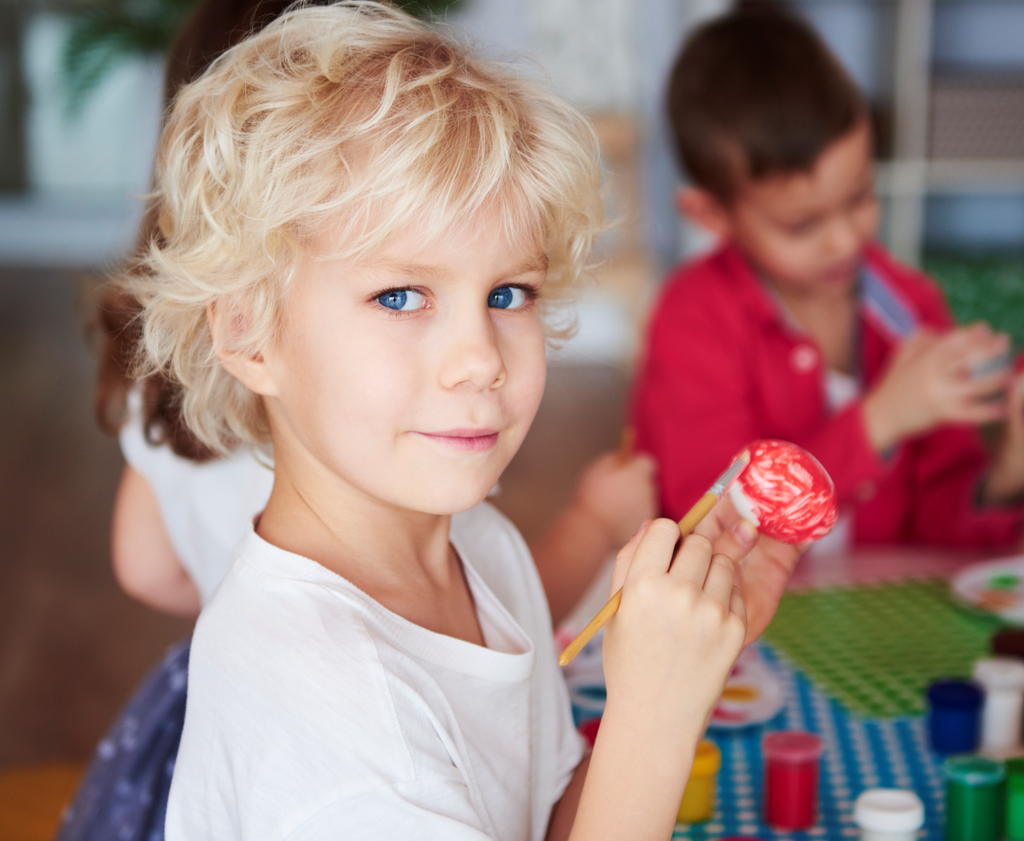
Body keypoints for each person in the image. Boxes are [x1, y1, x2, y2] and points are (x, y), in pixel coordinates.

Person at [109, 3, 800, 837]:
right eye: (400, 295)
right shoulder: (329, 726)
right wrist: (656, 710)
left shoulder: (482, 549)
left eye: (509, 293)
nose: (481, 357)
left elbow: (550, 820)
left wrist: (675, 680)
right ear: (248, 333)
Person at [631, 6, 1024, 550]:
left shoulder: (912, 307)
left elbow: (943, 528)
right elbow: (714, 512)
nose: (843, 239)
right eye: (802, 225)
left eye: (860, 197)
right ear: (710, 214)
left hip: (875, 616)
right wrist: (878, 421)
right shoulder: (692, 318)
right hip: (732, 621)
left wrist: (1006, 473)